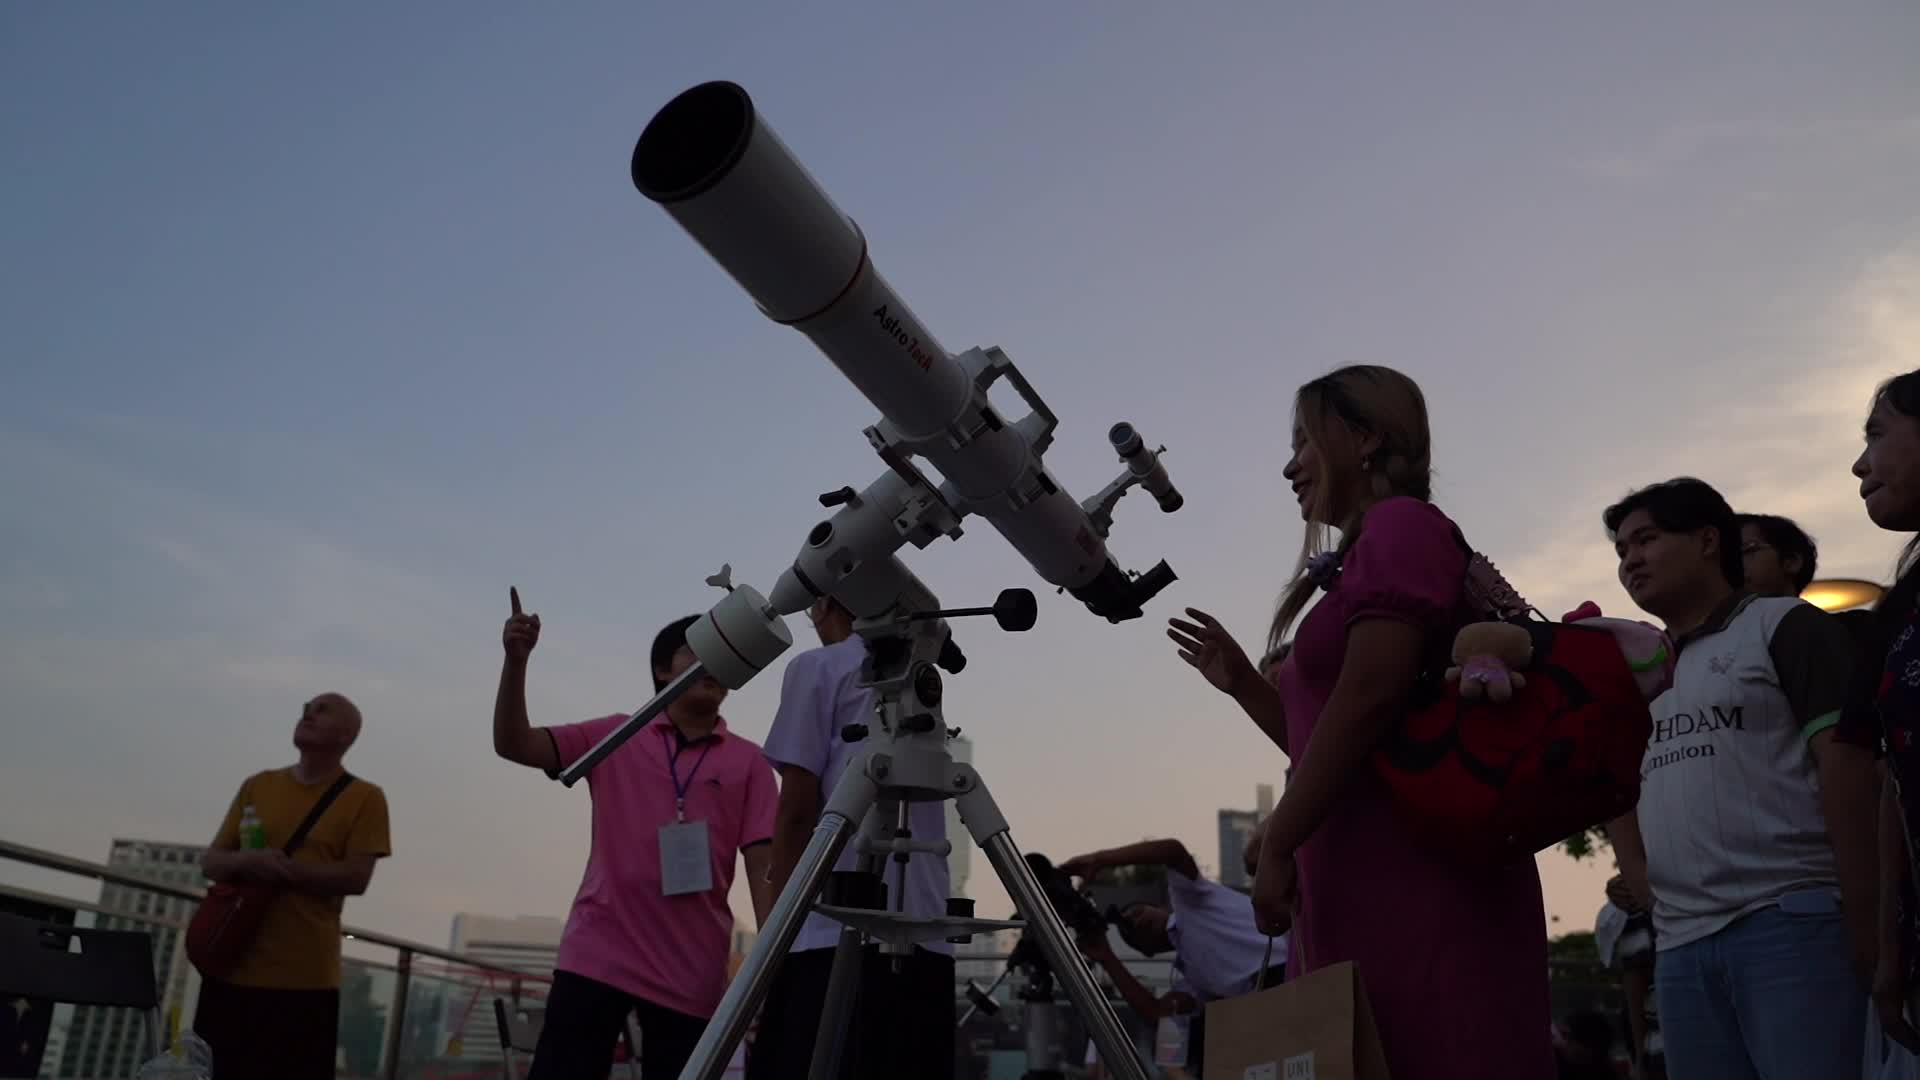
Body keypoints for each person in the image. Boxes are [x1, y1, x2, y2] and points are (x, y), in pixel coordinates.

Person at [1167, 364, 1554, 1079]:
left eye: (1305, 441)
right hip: (1360, 884)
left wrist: (1279, 840)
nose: (1290, 466)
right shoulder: (1369, 552)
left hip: (1414, 888)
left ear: (1367, 438)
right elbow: (1336, 743)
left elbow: (1371, 695)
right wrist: (1246, 689)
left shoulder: (1403, 527)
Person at [1602, 478, 1876, 1079]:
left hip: (1795, 926)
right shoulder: (1631, 671)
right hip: (1678, 949)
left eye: (1646, 539)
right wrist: (1643, 879)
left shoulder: (1786, 626)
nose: (1631, 561)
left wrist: (1865, 910)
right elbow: (1612, 783)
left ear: (1706, 541)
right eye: (1622, 550)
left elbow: (1847, 764)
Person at [493, 589, 778, 1080]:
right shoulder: (616, 734)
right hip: (597, 951)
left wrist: (773, 962)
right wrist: (515, 662)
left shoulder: (750, 761)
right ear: (664, 670)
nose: (712, 662)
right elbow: (515, 744)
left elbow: (763, 866)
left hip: (693, 966)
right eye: (696, 651)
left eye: (722, 653)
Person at [749, 594, 954, 1080]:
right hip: (925, 934)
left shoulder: (817, 668)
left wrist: (776, 936)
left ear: (822, 603)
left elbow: (797, 810)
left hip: (827, 934)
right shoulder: (917, 672)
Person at [194, 692, 392, 1080]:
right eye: (305, 710)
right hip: (229, 968)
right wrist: (248, 861)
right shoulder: (258, 786)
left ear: (347, 735)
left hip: (305, 981)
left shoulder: (365, 798)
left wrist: (284, 871)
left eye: (322, 710)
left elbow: (357, 877)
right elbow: (211, 861)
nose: (307, 714)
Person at [1061, 838, 1282, 1078]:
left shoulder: (1190, 899)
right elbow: (1157, 1012)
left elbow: (1172, 850)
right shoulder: (1195, 979)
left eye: (1137, 910)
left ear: (1161, 908)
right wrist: (1107, 958)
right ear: (1148, 953)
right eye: (1130, 931)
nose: (1135, 920)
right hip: (1271, 1005)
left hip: (1293, 963)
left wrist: (1101, 860)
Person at [1854, 370, 1920, 1071]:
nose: (1859, 464)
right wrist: (1890, 950)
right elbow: (1895, 784)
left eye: (1877, 433)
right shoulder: (1903, 612)